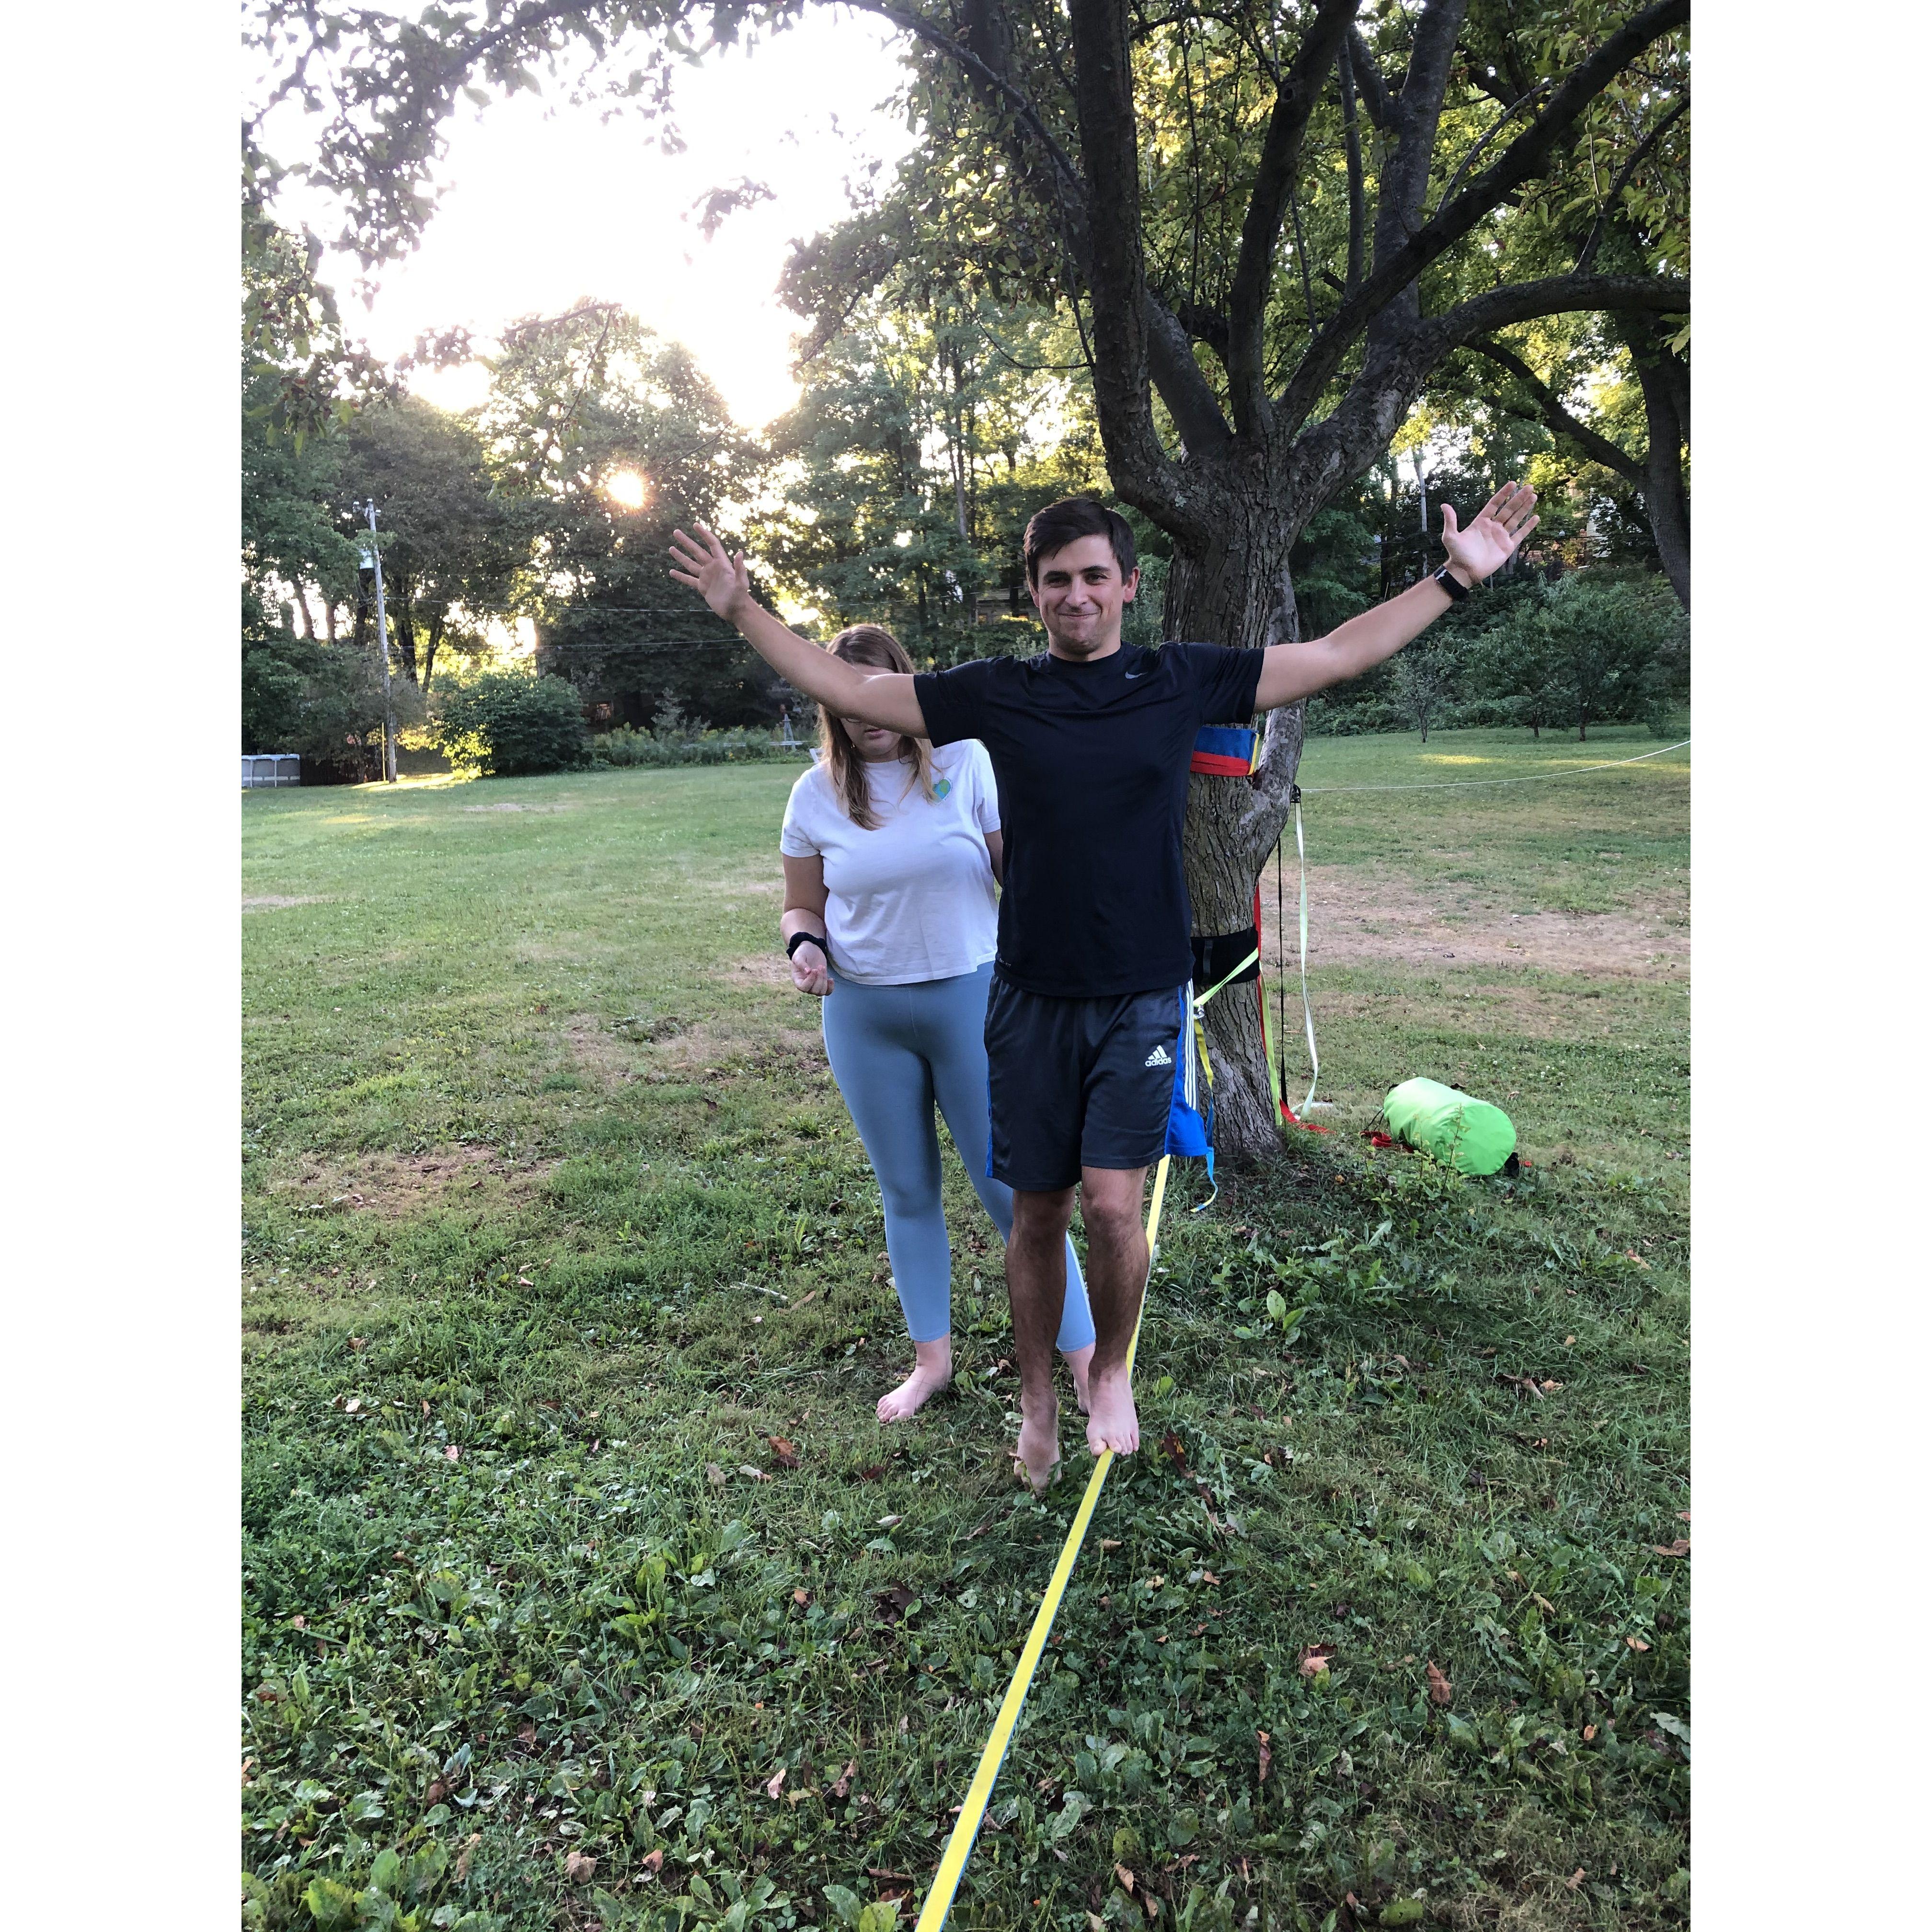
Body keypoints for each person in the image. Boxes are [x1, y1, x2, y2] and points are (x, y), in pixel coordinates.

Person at [671, 481, 1539, 1489]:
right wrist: (742, 609)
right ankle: (1038, 1397)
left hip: (1140, 993)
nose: (1075, 595)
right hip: (1028, 994)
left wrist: (1454, 581)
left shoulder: (1179, 679)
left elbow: (1337, 654)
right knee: (1036, 1213)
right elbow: (854, 689)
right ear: (1032, 597)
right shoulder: (1000, 692)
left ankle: (1111, 1370)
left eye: (1094, 576)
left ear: (1128, 585)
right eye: (1054, 581)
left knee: (1116, 1209)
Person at [774, 623, 1097, 1424]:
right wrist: (804, 945)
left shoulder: (966, 761)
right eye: (850, 700)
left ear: (905, 686)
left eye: (881, 692)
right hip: (864, 1014)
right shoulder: (814, 794)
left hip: (974, 1003)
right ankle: (931, 1363)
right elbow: (801, 904)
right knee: (908, 1191)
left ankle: (1088, 1365)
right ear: (832, 707)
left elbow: (1012, 868)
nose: (869, 714)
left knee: (1015, 1194)